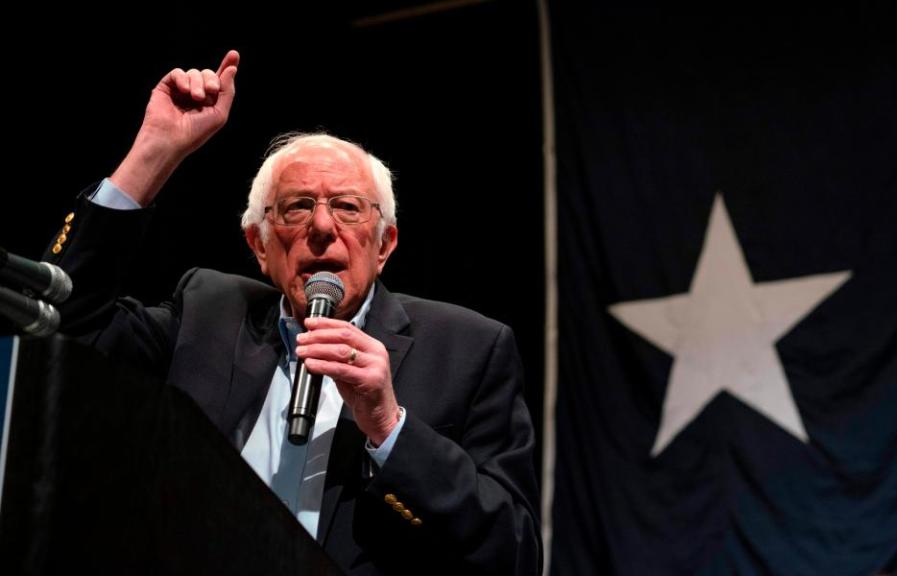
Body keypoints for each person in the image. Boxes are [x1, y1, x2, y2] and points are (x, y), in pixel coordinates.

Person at [46, 50, 541, 575]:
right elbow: (63, 322)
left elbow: (512, 551)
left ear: (384, 244)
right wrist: (154, 150)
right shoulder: (210, 312)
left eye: (349, 207)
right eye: (297, 206)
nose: (323, 227)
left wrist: (390, 428)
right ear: (259, 244)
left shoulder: (468, 349)